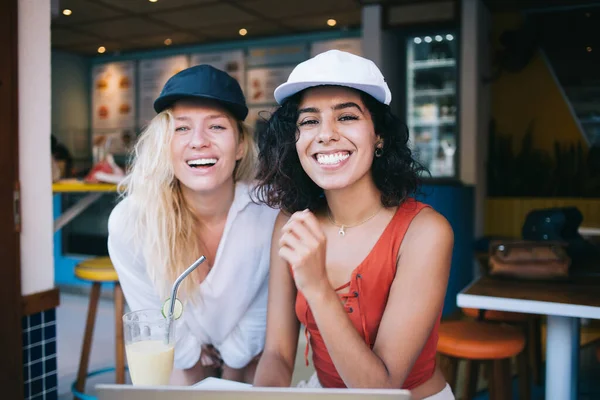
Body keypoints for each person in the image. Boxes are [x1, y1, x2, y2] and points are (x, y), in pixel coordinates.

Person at [253, 50, 455, 400]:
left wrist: (317, 287)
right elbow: (277, 354)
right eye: (309, 121)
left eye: (346, 117)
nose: (326, 135)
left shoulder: (425, 232)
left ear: (379, 135)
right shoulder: (292, 222)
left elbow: (382, 388)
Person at [107, 65, 278, 385]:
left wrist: (232, 364)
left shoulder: (270, 212)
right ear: (163, 145)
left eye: (216, 126)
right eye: (181, 128)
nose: (198, 141)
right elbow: (153, 314)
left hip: (248, 351)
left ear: (240, 146)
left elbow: (264, 310)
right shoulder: (132, 222)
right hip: (177, 348)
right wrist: (192, 358)